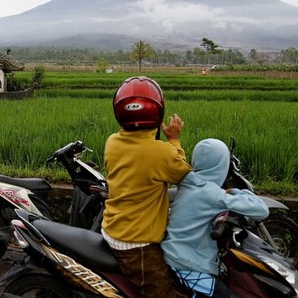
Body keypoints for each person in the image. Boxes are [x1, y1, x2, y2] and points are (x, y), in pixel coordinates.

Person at [100, 76, 192, 298]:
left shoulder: (112, 141)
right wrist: (174, 140)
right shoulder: (161, 152)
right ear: (157, 112)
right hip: (137, 246)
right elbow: (184, 174)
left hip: (114, 227)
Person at [162, 139, 269, 297]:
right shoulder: (213, 194)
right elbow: (261, 210)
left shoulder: (187, 182)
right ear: (222, 165)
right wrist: (235, 192)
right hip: (186, 266)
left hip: (175, 254)